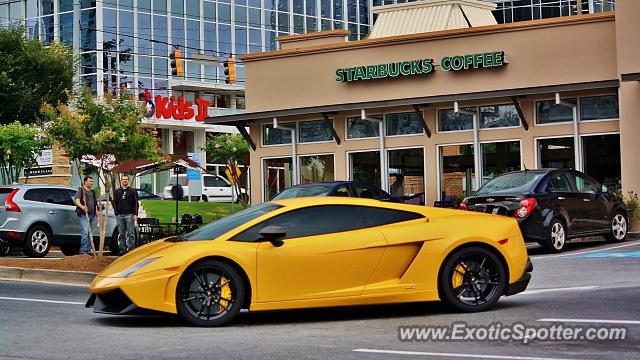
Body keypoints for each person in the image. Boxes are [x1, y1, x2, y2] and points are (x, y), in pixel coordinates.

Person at [112, 175, 139, 254]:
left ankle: (131, 250)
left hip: (129, 214)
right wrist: (116, 212)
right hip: (120, 215)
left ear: (128, 181)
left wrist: (135, 214)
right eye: (123, 179)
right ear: (121, 181)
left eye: (126, 179)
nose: (125, 181)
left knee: (131, 233)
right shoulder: (117, 191)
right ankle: (122, 250)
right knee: (121, 233)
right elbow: (114, 203)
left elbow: (136, 203)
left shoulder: (133, 191)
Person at [75, 176, 100, 255]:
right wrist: (83, 207)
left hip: (93, 215)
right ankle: (83, 251)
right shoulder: (81, 190)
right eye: (90, 181)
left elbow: (96, 205)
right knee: (85, 232)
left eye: (92, 181)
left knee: (90, 233)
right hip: (84, 215)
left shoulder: (92, 192)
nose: (91, 183)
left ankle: (88, 251)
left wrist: (98, 217)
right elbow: (77, 201)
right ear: (85, 182)